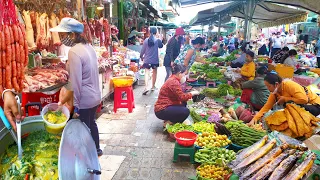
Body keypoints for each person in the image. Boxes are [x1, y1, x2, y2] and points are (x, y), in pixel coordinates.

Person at [50, 18, 102, 156]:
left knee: (83, 128)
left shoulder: (74, 51)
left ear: (72, 35)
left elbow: (76, 82)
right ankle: (97, 150)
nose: (61, 37)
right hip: (95, 96)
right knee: (91, 123)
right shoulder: (88, 47)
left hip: (85, 98)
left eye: (63, 34)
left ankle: (87, 157)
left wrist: (77, 106)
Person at [249, 73, 320, 125]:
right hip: (303, 107)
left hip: (315, 105)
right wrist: (254, 119)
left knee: (289, 104)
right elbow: (266, 107)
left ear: (276, 84)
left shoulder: (290, 85)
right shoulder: (274, 92)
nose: (268, 89)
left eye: (269, 86)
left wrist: (285, 99)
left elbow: (304, 100)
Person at [140, 27, 163, 95]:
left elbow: (143, 50)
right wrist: (159, 38)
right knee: (154, 73)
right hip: (155, 60)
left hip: (147, 59)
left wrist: (141, 56)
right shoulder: (157, 40)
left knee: (147, 73)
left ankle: (146, 87)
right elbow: (161, 46)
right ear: (156, 32)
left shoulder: (146, 40)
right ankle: (153, 86)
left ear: (149, 32)